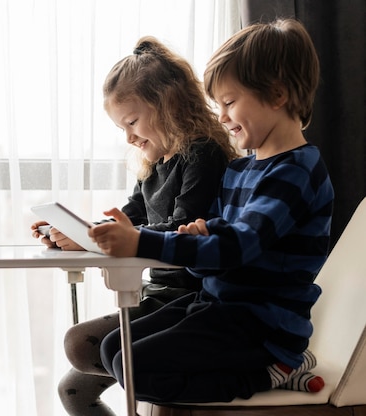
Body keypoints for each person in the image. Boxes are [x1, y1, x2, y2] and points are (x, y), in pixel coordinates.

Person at [91, 18, 334, 404]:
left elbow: (239, 246)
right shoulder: (240, 169)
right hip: (218, 304)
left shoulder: (296, 172)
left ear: (277, 94)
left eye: (230, 102)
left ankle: (267, 372)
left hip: (261, 325)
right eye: (218, 104)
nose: (221, 116)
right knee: (110, 350)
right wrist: (200, 235)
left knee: (133, 369)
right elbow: (221, 238)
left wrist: (143, 241)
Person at [31, 36, 239, 415]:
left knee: (79, 345)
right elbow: (127, 219)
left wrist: (120, 236)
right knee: (73, 391)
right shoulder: (153, 168)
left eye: (132, 122)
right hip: (155, 294)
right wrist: (77, 234)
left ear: (169, 106)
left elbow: (181, 226)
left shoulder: (203, 154)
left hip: (189, 298)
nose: (128, 137)